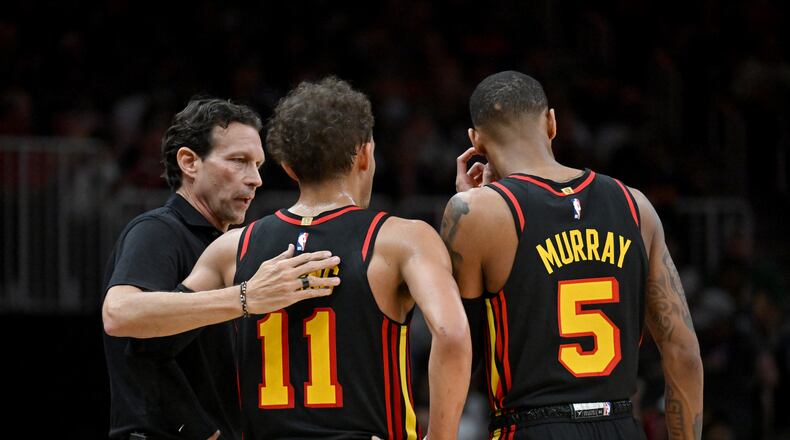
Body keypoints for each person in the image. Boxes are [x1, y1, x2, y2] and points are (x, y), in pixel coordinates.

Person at [176, 77, 472, 439]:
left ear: (287, 167)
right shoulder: (401, 239)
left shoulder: (233, 247)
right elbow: (453, 334)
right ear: (365, 154)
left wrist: (202, 427)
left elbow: (156, 341)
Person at [440, 71, 703, 439]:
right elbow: (684, 353)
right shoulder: (636, 205)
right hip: (621, 424)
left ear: (476, 140)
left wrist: (470, 202)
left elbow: (459, 349)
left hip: (533, 426)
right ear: (551, 122)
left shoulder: (475, 214)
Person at [102, 97, 339, 440]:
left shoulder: (227, 245)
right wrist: (245, 297)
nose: (255, 179)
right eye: (239, 161)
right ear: (189, 162)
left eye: (258, 164)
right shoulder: (158, 230)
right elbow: (119, 313)